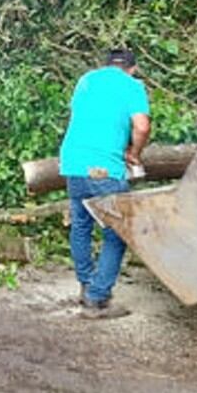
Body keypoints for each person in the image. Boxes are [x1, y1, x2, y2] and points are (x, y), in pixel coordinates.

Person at [59, 48, 151, 319]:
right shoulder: (132, 85)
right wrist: (134, 154)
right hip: (104, 169)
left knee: (81, 226)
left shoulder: (86, 80)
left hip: (73, 162)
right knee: (117, 231)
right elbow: (142, 127)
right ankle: (98, 299)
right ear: (132, 69)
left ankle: (86, 285)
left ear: (106, 65)